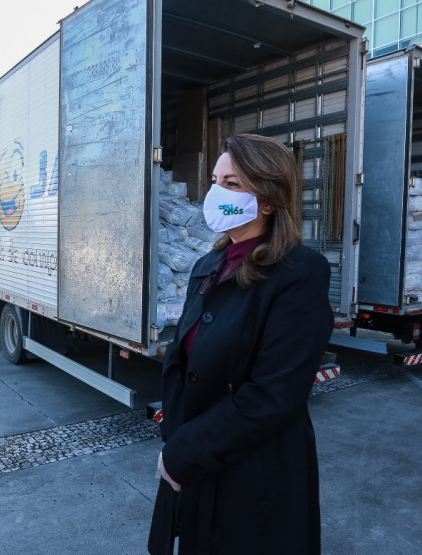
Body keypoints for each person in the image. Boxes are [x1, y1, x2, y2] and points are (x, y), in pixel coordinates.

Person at [148, 133, 334, 554]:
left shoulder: (300, 274)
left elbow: (274, 394)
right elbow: (180, 364)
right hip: (197, 463)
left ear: (268, 201)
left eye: (232, 184)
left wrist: (184, 453)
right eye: (215, 181)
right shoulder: (208, 264)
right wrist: (177, 441)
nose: (216, 192)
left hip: (256, 474)